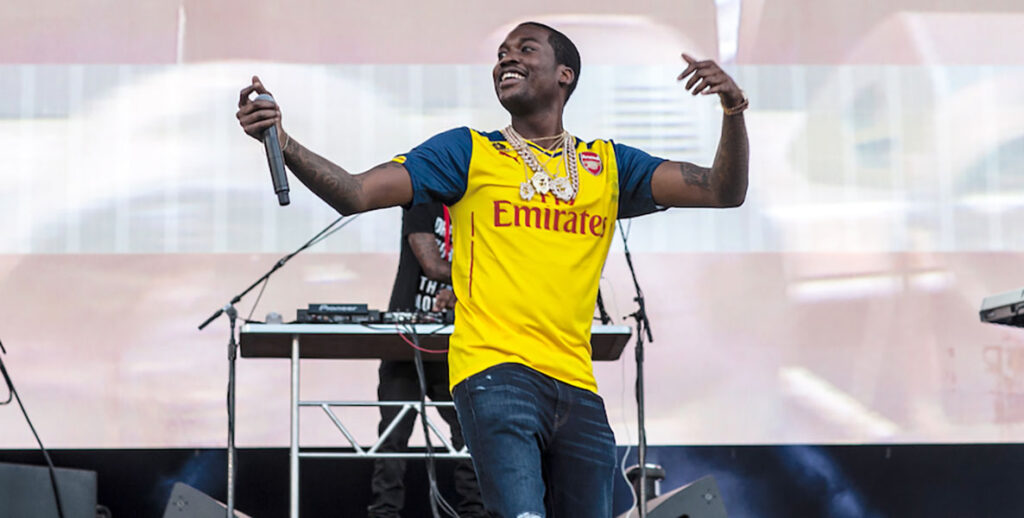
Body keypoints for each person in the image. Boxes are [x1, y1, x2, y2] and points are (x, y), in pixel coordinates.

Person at [237, 21, 748, 518]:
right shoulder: (468, 151)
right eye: (502, 52)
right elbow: (355, 193)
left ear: (564, 74)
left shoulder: (608, 165)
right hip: (495, 373)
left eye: (525, 49)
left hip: (576, 385)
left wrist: (733, 109)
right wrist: (283, 141)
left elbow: (725, 192)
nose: (507, 58)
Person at [369, 202, 486, 517]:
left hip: (456, 342)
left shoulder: (477, 205)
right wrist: (484, 279)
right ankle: (384, 513)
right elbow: (432, 266)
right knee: (393, 436)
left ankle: (476, 512)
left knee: (469, 434)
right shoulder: (422, 200)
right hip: (406, 341)